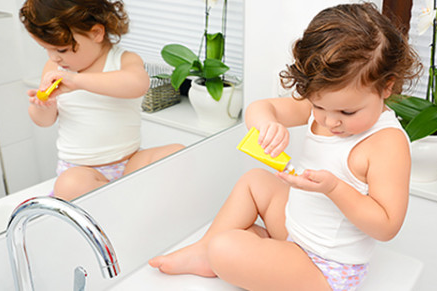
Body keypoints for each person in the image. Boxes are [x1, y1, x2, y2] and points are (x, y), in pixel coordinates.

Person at [148, 3, 422, 291]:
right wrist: (268, 124)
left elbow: (387, 225)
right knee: (254, 181)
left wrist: (334, 188)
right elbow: (260, 107)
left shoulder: (385, 143)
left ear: (387, 86)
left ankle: (219, 252)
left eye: (347, 113)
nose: (330, 121)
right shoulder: (329, 103)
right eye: (318, 106)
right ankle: (205, 251)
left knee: (226, 248)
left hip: (325, 265)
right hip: (296, 226)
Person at [19, 0, 184, 201]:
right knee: (70, 185)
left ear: (96, 33)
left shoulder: (123, 60)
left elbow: (138, 84)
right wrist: (43, 106)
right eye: (46, 49)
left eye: (61, 50)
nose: (54, 58)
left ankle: (122, 201)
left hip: (129, 161)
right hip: (81, 170)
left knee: (179, 154)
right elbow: (43, 121)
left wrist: (78, 81)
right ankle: (124, 203)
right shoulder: (54, 68)